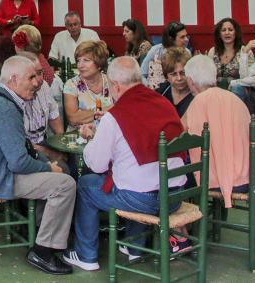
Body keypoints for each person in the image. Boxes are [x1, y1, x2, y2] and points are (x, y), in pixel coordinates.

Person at [61, 57, 186, 272]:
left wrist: (93, 139)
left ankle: (86, 255)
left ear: (116, 86)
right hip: (174, 196)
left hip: (142, 200)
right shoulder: (164, 104)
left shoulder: (115, 117)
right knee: (136, 175)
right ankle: (133, 247)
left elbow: (97, 165)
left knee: (87, 183)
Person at [0, 56, 75, 275]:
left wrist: (48, 164)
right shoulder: (5, 109)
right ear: (13, 79)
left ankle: (44, 231)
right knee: (65, 184)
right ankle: (43, 251)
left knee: (62, 170)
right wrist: (48, 168)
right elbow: (18, 162)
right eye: (31, 77)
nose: (37, 82)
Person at [182, 55, 251, 210]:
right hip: (248, 176)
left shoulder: (199, 102)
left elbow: (182, 137)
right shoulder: (235, 99)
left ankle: (183, 224)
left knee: (173, 176)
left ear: (191, 81)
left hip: (219, 180)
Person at [62, 40, 113, 130]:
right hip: (79, 137)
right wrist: (106, 110)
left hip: (108, 133)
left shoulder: (111, 81)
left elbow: (124, 108)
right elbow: (73, 119)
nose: (80, 65)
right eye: (78, 61)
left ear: (99, 63)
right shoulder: (71, 85)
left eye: (86, 60)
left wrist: (87, 115)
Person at [141, 21, 190, 90]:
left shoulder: (187, 53)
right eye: (182, 37)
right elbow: (142, 74)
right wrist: (148, 87)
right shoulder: (155, 50)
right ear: (171, 38)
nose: (186, 39)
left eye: (186, 36)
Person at [206, 18, 252, 82]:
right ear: (219, 34)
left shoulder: (246, 51)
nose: (227, 33)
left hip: (238, 90)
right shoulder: (212, 51)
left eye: (230, 30)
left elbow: (249, 78)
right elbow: (208, 76)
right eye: (223, 30)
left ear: (236, 33)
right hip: (216, 90)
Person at [155, 48, 193, 118]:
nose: (179, 78)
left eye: (183, 73)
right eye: (173, 74)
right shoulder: (160, 93)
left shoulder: (196, 94)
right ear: (166, 77)